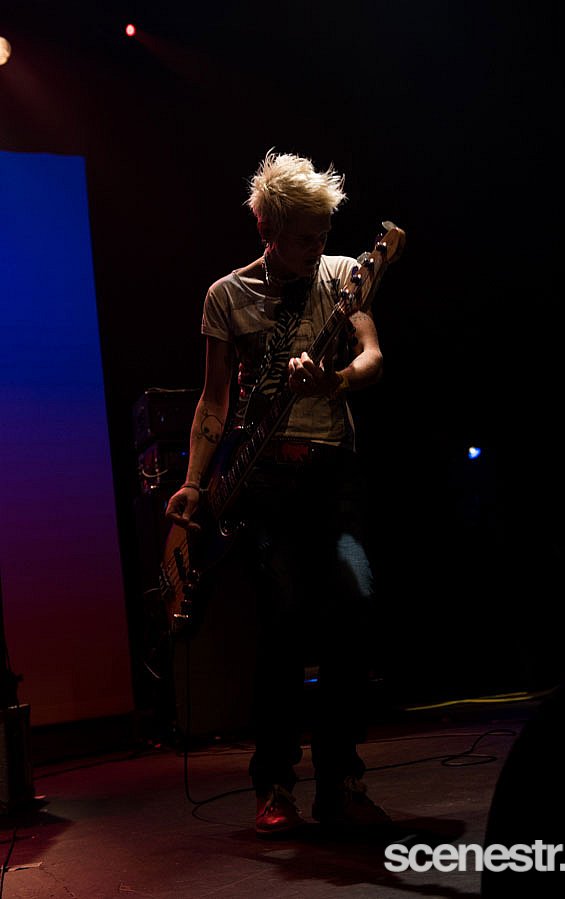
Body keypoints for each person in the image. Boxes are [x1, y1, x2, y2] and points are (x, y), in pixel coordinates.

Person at [166, 149, 391, 837]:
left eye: (323, 234)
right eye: (303, 238)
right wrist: (193, 483)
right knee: (284, 621)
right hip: (264, 482)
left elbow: (372, 356)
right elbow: (214, 401)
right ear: (267, 230)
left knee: (356, 602)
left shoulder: (346, 275)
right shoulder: (226, 296)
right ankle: (275, 784)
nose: (317, 247)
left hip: (333, 472)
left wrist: (336, 380)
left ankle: (342, 779)